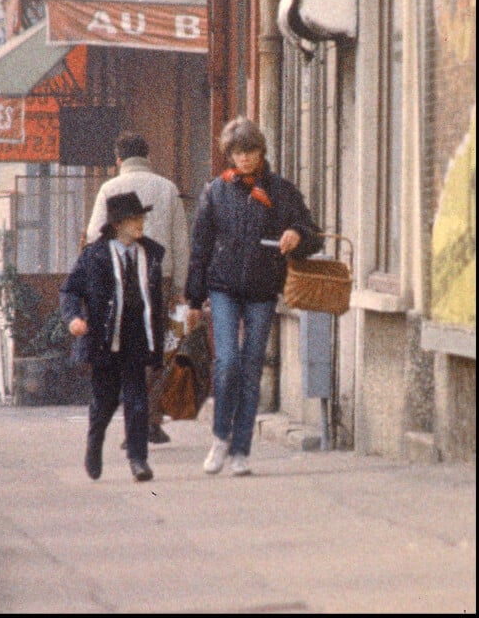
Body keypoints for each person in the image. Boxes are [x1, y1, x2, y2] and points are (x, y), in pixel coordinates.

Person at [185, 116, 323, 477]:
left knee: (250, 369)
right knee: (228, 362)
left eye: (250, 151)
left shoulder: (281, 191)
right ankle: (220, 438)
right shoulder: (215, 191)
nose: (244, 159)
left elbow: (314, 234)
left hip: (264, 289)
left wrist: (296, 233)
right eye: (237, 152)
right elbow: (199, 248)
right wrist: (193, 300)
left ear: (261, 151)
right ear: (228, 155)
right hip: (224, 287)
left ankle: (241, 451)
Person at [86, 131, 190, 444]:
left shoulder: (109, 188)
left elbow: (94, 237)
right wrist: (180, 287)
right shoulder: (168, 189)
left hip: (121, 280)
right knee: (156, 350)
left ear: (119, 159)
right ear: (148, 158)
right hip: (160, 278)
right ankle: (151, 419)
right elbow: (181, 242)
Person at [60, 192, 165, 482]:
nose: (140, 223)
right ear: (118, 224)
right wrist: (74, 318)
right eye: (134, 219)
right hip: (105, 337)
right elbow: (69, 290)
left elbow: (155, 299)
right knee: (104, 400)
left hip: (137, 334)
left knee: (137, 399)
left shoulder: (151, 254)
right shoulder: (95, 255)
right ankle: (94, 444)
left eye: (141, 218)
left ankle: (138, 459)